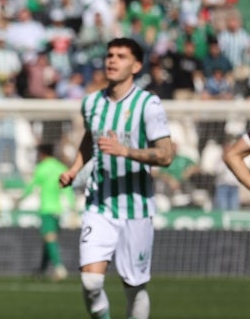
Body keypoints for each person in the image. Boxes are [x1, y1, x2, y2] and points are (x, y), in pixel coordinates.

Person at [59, 38, 174, 319]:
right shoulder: (91, 103)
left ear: (136, 66)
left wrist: (125, 151)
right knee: (91, 281)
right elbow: (90, 139)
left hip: (135, 209)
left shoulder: (148, 104)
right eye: (110, 55)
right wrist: (75, 169)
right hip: (99, 205)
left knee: (133, 287)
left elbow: (166, 155)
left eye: (121, 56)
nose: (112, 60)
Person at [18, 143, 74, 281]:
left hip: (47, 209)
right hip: (58, 210)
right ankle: (42, 269)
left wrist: (20, 199)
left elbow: (31, 186)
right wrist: (73, 208)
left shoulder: (41, 168)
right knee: (48, 240)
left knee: (49, 238)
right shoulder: (60, 167)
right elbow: (67, 189)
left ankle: (59, 268)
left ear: (42, 154)